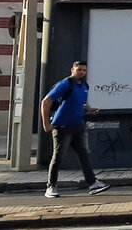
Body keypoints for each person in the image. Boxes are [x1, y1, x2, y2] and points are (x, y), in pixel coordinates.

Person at [41, 61, 109, 198]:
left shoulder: (84, 85)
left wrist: (89, 110)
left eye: (84, 70)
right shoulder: (65, 84)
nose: (82, 72)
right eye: (79, 70)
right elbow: (46, 101)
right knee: (58, 157)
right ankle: (51, 186)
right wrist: (46, 124)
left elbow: (82, 102)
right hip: (62, 127)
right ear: (73, 69)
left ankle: (93, 184)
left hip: (78, 126)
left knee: (84, 155)